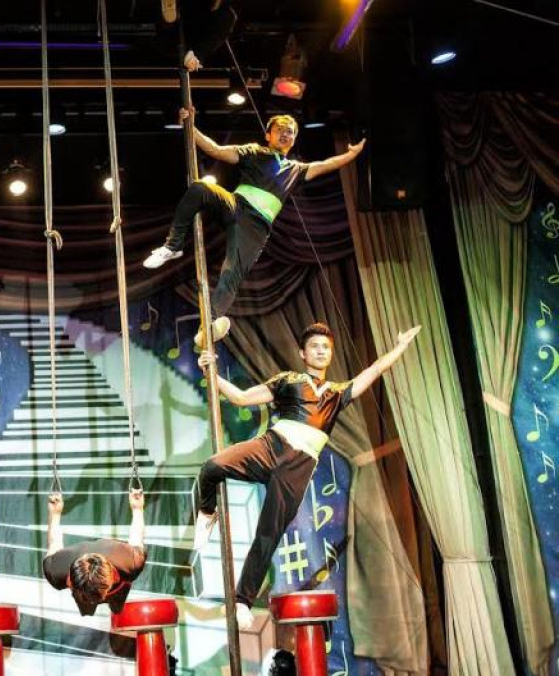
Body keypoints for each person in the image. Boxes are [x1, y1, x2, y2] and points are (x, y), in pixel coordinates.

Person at [193, 322, 420, 629]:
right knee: (212, 466)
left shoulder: (337, 394)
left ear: (331, 354)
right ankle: (207, 512)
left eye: (326, 347)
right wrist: (212, 373)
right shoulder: (288, 380)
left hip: (298, 467)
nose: (321, 351)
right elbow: (241, 398)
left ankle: (242, 601)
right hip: (271, 446)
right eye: (314, 346)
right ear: (302, 353)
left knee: (268, 534)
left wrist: (400, 347)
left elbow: (375, 369)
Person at [143, 111, 366, 346]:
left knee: (232, 273)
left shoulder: (296, 169)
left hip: (256, 226)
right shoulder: (254, 151)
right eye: (279, 130)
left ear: (294, 139)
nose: (285, 134)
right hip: (235, 205)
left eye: (290, 132)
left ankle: (208, 326)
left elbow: (326, 165)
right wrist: (191, 126)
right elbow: (215, 150)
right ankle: (173, 246)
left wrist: (350, 155)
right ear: (268, 135)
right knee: (199, 188)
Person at [42, 490, 148, 616]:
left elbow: (137, 536)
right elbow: (54, 543)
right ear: (70, 580)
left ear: (115, 576)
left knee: (117, 609)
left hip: (117, 589)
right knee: (87, 611)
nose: (94, 600)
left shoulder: (131, 562)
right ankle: (89, 609)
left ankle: (115, 608)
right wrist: (54, 514)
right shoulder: (57, 571)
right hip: (84, 591)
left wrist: (137, 508)